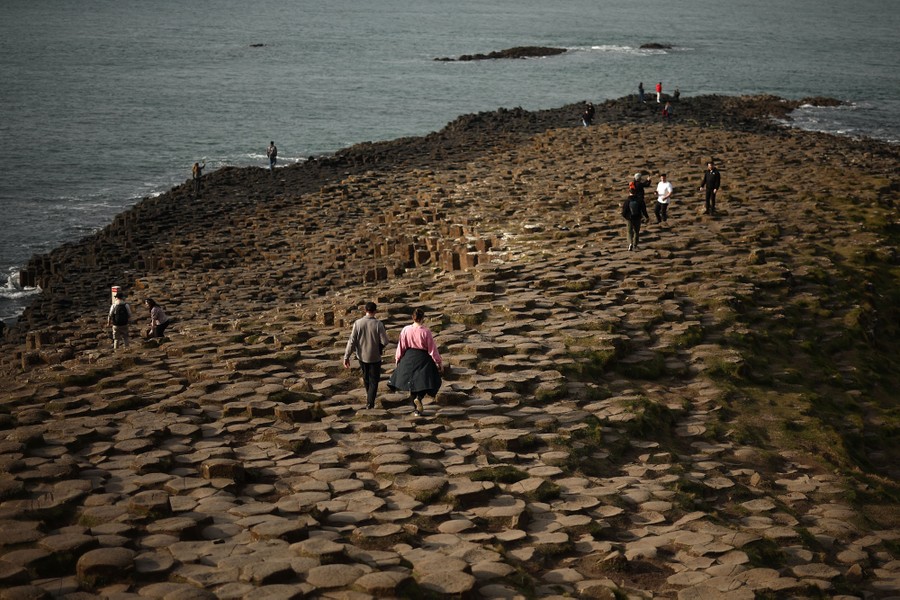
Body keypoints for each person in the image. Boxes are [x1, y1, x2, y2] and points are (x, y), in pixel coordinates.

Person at [388, 308, 443, 416]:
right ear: (422, 318)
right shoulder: (425, 331)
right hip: (423, 358)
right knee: (427, 381)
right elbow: (432, 349)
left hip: (409, 357)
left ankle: (416, 410)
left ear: (412, 317)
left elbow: (401, 346)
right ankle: (419, 397)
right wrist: (438, 362)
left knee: (412, 384)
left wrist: (398, 359)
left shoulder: (405, 329)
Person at [343, 301, 390, 410]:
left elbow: (352, 341)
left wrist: (346, 356)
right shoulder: (378, 324)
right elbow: (385, 341)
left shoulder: (358, 323)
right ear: (375, 311)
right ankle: (370, 403)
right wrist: (379, 348)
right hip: (375, 357)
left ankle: (369, 398)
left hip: (362, 356)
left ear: (365, 310)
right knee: (374, 380)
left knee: (366, 378)